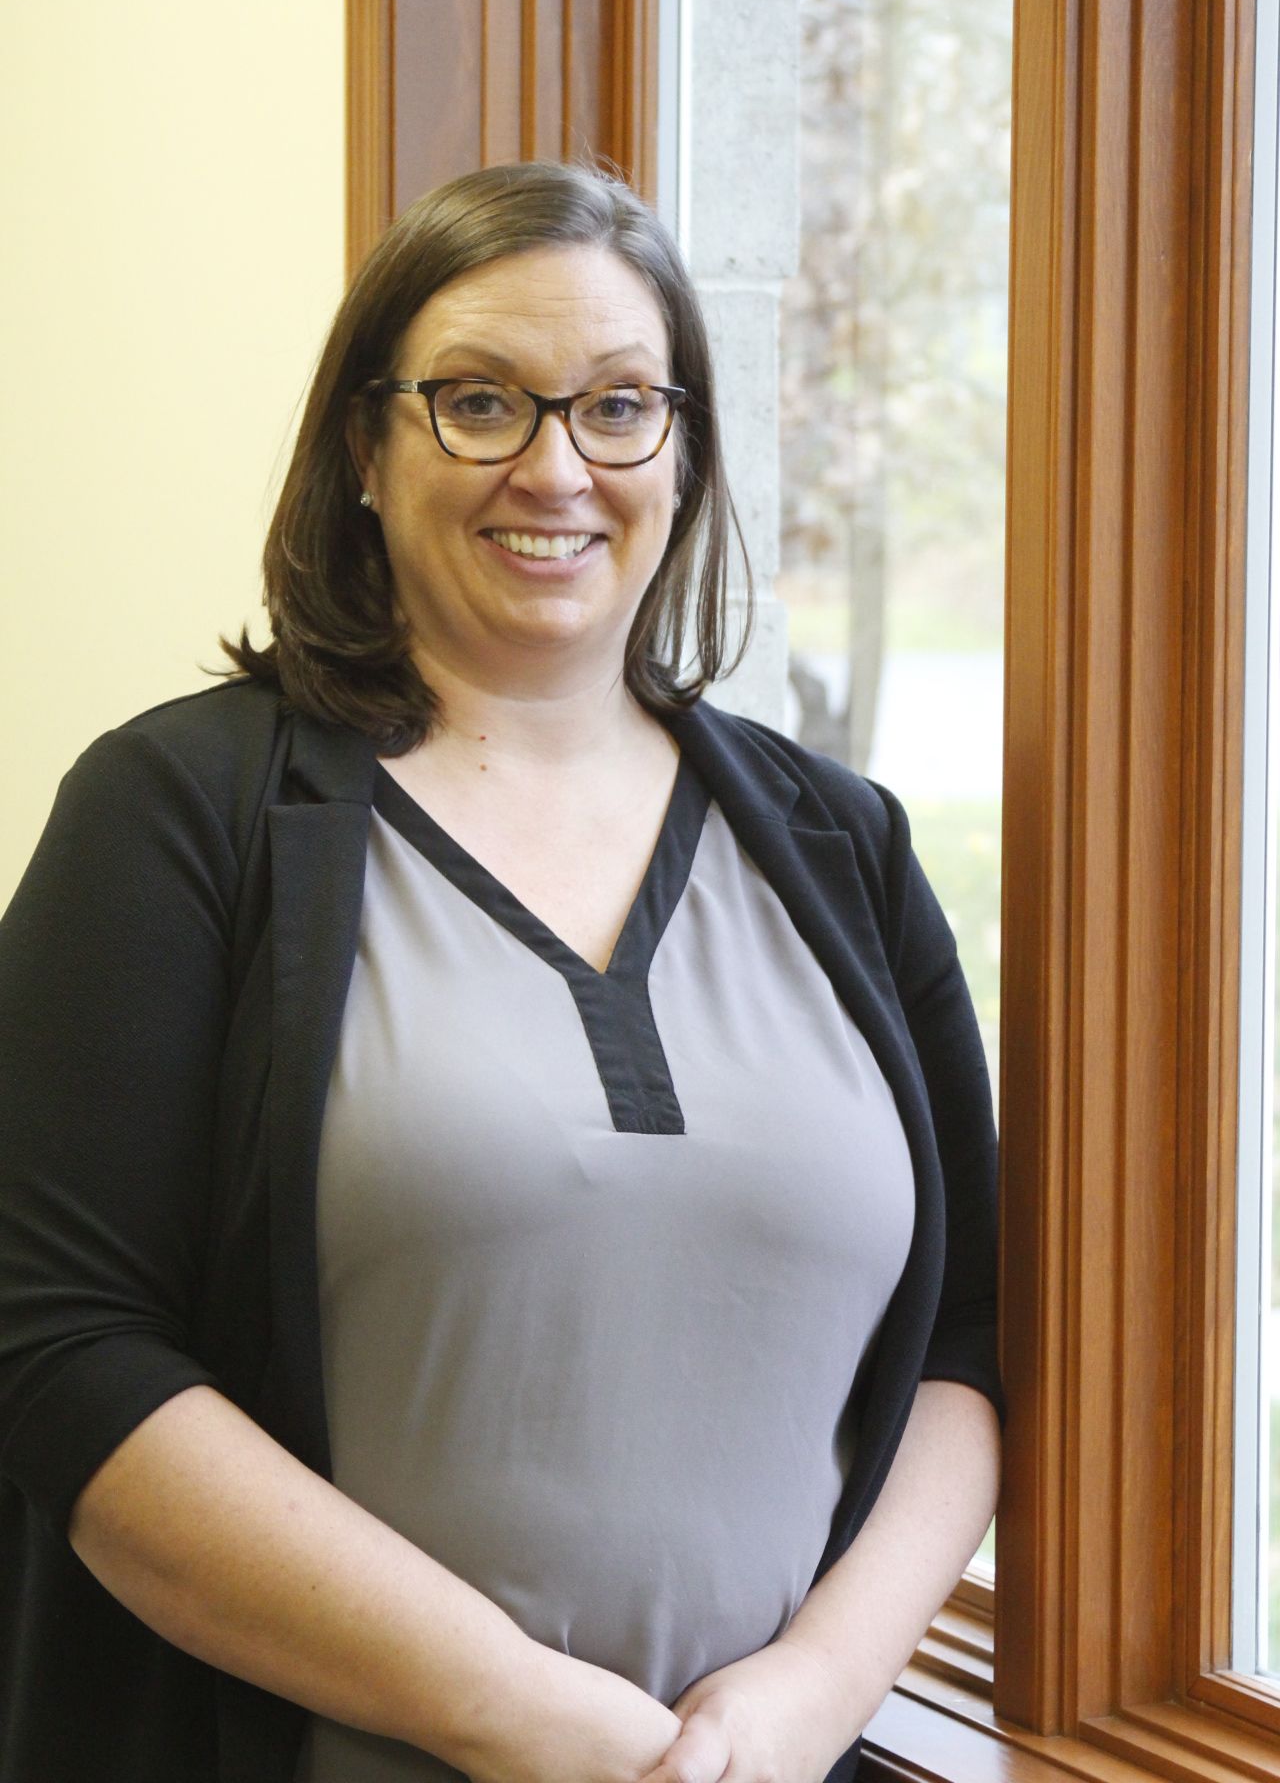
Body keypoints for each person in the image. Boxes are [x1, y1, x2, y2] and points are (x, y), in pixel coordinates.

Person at [0, 159, 1001, 1783]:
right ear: (365, 450)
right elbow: (60, 1349)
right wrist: (528, 1718)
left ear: (681, 455)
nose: (556, 466)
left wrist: (814, 1695)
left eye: (620, 407)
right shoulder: (180, 814)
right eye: (480, 401)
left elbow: (968, 1337)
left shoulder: (845, 848)